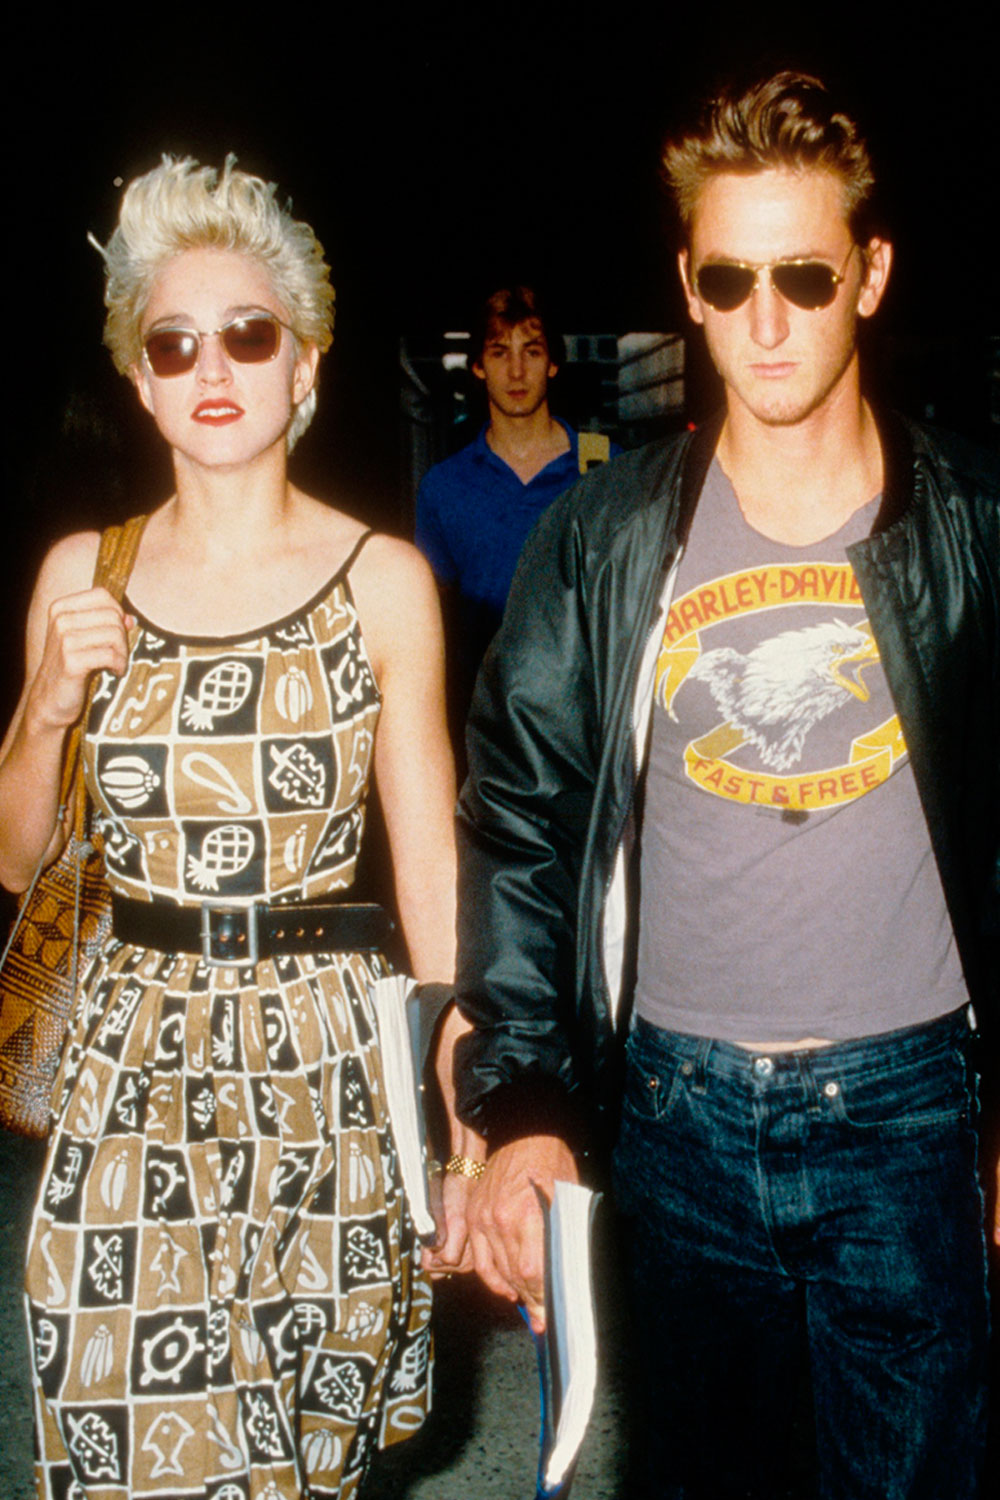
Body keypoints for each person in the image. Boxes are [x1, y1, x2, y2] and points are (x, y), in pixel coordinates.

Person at [454, 71, 999, 1499]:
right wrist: (521, 1105)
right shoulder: (602, 539)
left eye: (805, 276)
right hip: (676, 1115)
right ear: (687, 288)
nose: (767, 319)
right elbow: (524, 818)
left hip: (911, 1105)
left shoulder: (979, 528)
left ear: (869, 278)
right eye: (730, 276)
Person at [0, 156, 480, 1500]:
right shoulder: (76, 576)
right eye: (174, 341)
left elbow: (431, 856)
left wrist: (460, 1110)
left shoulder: (383, 583)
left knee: (301, 1458)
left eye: (249, 332)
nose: (214, 363)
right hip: (130, 1063)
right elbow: (11, 857)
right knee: (129, 1428)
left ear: (306, 363)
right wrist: (45, 707)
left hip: (322, 1061)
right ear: (141, 380)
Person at [414, 286, 617, 736]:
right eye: (500, 352)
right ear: (478, 366)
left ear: (553, 362)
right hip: (487, 734)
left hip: (589, 730)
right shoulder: (444, 488)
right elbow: (433, 629)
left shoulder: (606, 467)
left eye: (532, 351)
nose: (518, 370)